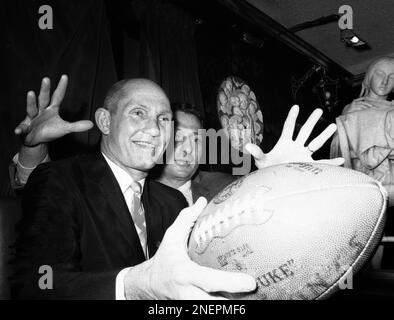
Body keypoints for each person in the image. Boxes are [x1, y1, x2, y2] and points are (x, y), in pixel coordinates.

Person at [11, 75, 343, 300]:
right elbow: (36, 286)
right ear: (105, 121)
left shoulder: (170, 202)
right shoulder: (61, 180)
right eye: (138, 113)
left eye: (164, 119)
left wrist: (278, 177)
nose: (154, 130)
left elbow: (224, 245)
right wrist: (137, 285)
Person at [330, 56, 394, 204]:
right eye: (380, 74)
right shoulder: (354, 109)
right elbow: (338, 149)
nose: (385, 81)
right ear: (370, 75)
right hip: (363, 181)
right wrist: (347, 116)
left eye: (392, 77)